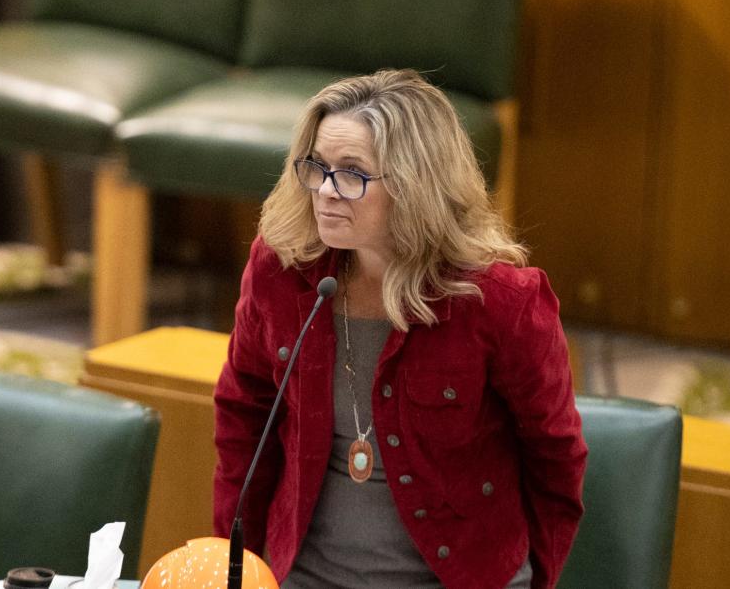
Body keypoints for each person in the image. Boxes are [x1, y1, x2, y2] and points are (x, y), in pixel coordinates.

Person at [212, 69, 588, 589]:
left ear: (415, 185)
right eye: (317, 166)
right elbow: (243, 418)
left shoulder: (501, 302)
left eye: (351, 173)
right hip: (303, 576)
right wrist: (235, 569)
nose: (324, 190)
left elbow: (554, 456)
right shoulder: (281, 269)